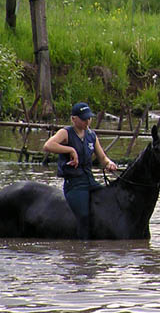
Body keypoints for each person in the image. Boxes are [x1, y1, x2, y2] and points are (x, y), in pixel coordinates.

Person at [43, 102, 117, 239]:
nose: (87, 122)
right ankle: (83, 247)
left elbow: (102, 157)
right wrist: (70, 149)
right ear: (73, 119)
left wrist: (109, 163)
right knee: (83, 216)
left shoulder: (91, 136)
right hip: (74, 184)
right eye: (83, 119)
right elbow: (48, 145)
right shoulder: (65, 133)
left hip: (90, 180)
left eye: (89, 118)